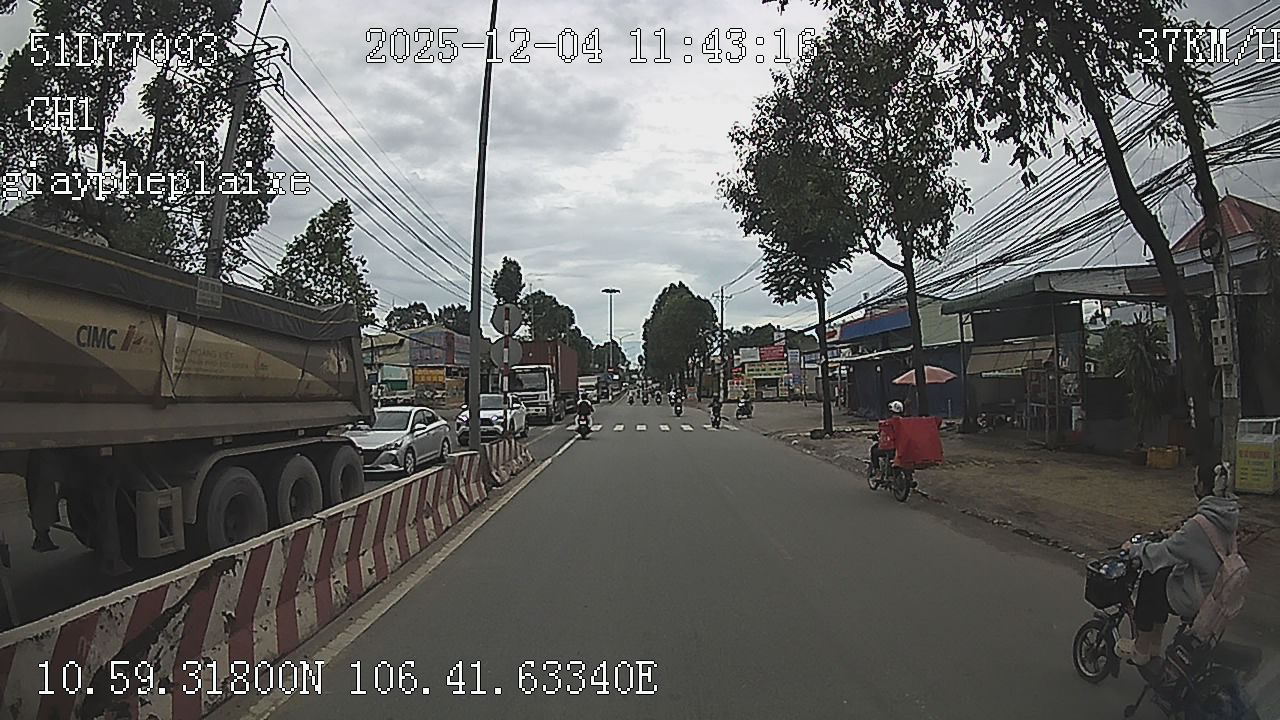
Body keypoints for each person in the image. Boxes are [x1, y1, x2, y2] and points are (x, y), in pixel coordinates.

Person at [1115, 468, 1241, 667]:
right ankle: (1154, 645)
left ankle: (1141, 648)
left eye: (1196, 479)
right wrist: (1176, 533)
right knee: (1164, 576)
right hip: (1217, 592)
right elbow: (1195, 544)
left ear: (1201, 486)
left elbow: (1164, 552)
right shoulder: (1226, 516)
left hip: (1197, 598)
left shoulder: (1199, 525)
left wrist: (1135, 550)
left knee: (1150, 576)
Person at [869, 400, 905, 475]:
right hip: (903, 449)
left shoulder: (887, 423)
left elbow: (883, 435)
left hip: (890, 448)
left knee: (874, 450)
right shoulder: (906, 422)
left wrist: (875, 436)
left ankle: (877, 470)